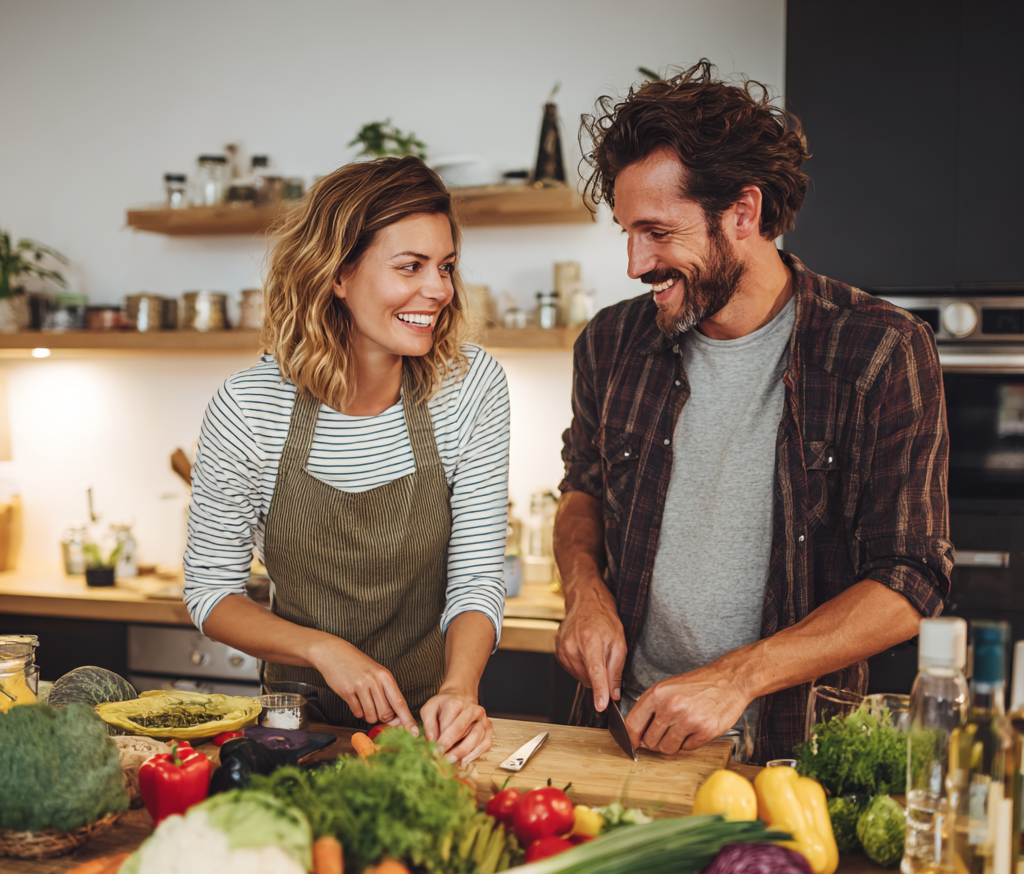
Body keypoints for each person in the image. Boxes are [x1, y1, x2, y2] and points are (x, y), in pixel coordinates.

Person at [554, 61, 952, 763]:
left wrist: (735, 678)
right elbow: (582, 487)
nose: (634, 262)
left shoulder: (880, 349)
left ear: (743, 212)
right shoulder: (610, 345)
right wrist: (584, 591)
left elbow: (909, 579)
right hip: (625, 736)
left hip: (791, 752)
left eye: (657, 233)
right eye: (626, 232)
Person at [184, 157, 509, 764]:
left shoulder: (472, 387)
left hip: (425, 726)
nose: (438, 290)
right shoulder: (248, 405)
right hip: (294, 726)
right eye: (410, 267)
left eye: (445, 267)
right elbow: (210, 593)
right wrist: (323, 649)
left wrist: (459, 690)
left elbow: (476, 577)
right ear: (338, 273)